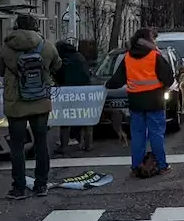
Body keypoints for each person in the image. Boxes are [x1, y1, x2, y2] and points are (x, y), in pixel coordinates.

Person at [0, 14, 62, 198]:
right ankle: (41, 185)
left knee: (17, 146)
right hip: (40, 101)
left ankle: (19, 188)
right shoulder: (46, 45)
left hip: (16, 103)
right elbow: (57, 65)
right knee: (41, 143)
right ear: (36, 26)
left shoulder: (7, 47)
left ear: (16, 26)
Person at [105, 28, 175, 176]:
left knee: (137, 136)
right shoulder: (154, 56)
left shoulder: (128, 58)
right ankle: (162, 166)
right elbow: (168, 79)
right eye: (153, 39)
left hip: (135, 102)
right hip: (154, 101)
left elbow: (116, 81)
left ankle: (136, 166)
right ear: (148, 40)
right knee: (156, 134)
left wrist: (105, 86)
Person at [53, 39, 93, 155]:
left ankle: (64, 146)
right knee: (86, 119)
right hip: (84, 93)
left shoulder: (62, 60)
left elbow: (58, 76)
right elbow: (87, 75)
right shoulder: (80, 57)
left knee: (65, 120)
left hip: (67, 94)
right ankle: (88, 144)